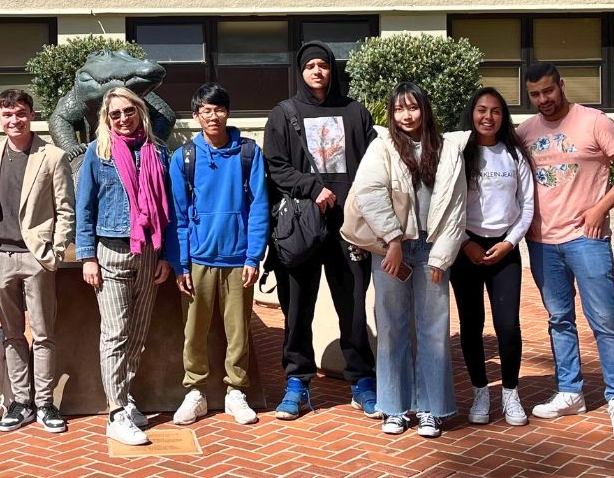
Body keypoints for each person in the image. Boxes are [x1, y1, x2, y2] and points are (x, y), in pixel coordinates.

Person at [517, 62, 614, 439]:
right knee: (559, 319)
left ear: (562, 85)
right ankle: (570, 392)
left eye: (548, 91)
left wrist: (600, 207)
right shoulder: (526, 132)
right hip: (541, 242)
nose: (543, 100)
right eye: (535, 95)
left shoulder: (594, 122)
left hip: (587, 239)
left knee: (604, 321)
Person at [264, 40, 379, 420]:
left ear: (332, 70)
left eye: (323, 65)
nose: (317, 71)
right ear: (300, 71)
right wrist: (314, 188)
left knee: (353, 306)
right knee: (297, 309)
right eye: (310, 65)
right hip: (301, 227)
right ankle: (297, 383)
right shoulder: (284, 114)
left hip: (349, 229)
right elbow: (276, 166)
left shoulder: (355, 112)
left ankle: (362, 381)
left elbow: (374, 164)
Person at [351, 82, 466, 438]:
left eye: (413, 108)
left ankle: (430, 408)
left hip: (432, 249)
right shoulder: (382, 146)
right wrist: (393, 240)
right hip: (393, 249)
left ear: (425, 109)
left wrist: (443, 257)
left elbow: (457, 208)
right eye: (400, 109)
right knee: (391, 328)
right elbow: (368, 193)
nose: (406, 116)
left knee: (433, 331)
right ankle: (394, 407)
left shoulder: (448, 148)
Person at [76, 86, 175, 446]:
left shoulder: (159, 152)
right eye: (114, 113)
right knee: (115, 333)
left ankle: (125, 393)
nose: (121, 118)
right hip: (111, 250)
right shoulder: (97, 153)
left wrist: (167, 256)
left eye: (127, 111)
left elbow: (170, 213)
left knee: (138, 332)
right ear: (106, 118)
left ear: (139, 112)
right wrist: (87, 256)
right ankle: (116, 411)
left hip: (149, 251)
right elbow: (84, 207)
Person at [167, 83, 268, 427]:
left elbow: (259, 208)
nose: (213, 116)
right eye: (205, 110)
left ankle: (235, 391)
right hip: (197, 260)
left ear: (228, 112)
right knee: (194, 330)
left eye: (219, 109)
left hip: (238, 259)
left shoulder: (249, 153)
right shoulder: (183, 158)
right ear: (196, 116)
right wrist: (180, 263)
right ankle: (195, 391)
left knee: (238, 330)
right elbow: (178, 216)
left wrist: (254, 256)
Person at [0, 89, 75, 434]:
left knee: (43, 333)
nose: (14, 120)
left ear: (31, 115)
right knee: (11, 334)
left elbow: (66, 209)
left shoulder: (52, 156)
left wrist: (55, 251)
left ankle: (46, 403)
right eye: (7, 114)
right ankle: (21, 402)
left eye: (20, 113)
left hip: (36, 258)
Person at [449, 87, 534, 427]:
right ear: (471, 113)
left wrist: (510, 243)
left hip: (505, 250)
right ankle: (481, 391)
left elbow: (527, 205)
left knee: (508, 327)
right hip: (465, 248)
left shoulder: (514, 153)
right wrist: (465, 242)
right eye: (481, 110)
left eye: (496, 111)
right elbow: (447, 204)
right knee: (472, 325)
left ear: (504, 116)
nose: (488, 117)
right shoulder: (457, 153)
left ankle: (510, 393)